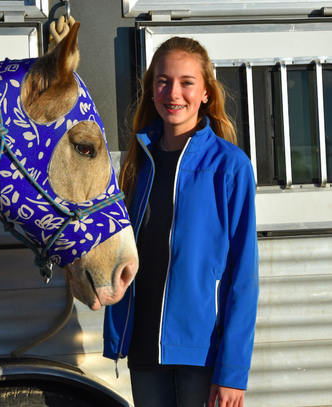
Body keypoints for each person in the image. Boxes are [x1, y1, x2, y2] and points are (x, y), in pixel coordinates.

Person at [103, 37, 259, 407]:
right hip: (143, 348)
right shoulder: (135, 165)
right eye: (162, 81)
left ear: (205, 92)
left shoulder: (229, 167)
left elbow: (244, 276)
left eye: (187, 82)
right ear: (151, 89)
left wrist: (232, 371)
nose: (173, 92)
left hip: (201, 353)